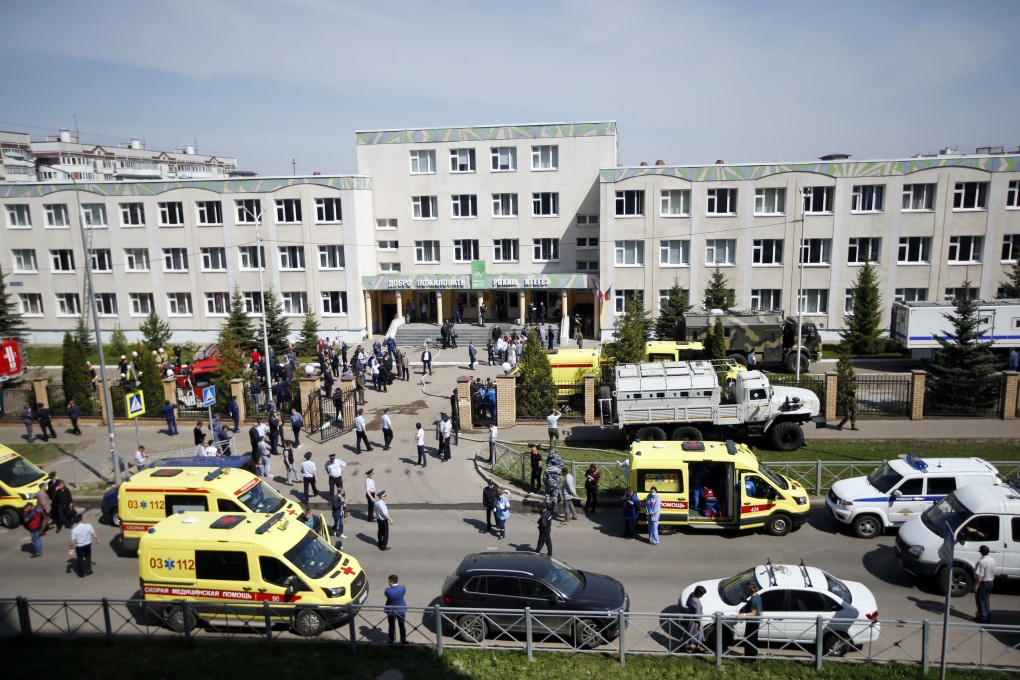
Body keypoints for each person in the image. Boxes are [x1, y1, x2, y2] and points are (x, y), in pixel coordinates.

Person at [738, 582, 762, 657]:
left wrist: (743, 615)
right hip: (755, 622)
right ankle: (752, 656)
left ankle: (750, 657)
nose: (746, 590)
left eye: (747, 589)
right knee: (753, 640)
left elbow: (753, 613)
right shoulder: (757, 596)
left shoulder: (754, 600)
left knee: (750, 640)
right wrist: (747, 602)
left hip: (752, 622)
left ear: (750, 590)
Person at [974, 545, 996, 624]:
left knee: (980, 601)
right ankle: (988, 617)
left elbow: (979, 577)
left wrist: (976, 585)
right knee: (986, 600)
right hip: (990, 582)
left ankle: (983, 618)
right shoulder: (992, 560)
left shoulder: (982, 562)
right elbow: (994, 572)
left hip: (983, 583)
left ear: (981, 552)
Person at [683, 585, 708, 652]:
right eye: (702, 594)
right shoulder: (696, 602)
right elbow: (697, 615)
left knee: (692, 633)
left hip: (689, 617)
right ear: (699, 593)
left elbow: (687, 604)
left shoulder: (691, 595)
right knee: (694, 634)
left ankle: (697, 647)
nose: (702, 595)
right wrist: (700, 623)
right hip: (695, 621)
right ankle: (685, 646)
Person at [384, 575, 408, 644]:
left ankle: (391, 641)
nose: (388, 583)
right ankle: (403, 641)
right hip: (401, 610)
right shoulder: (403, 588)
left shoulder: (387, 591)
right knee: (402, 626)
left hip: (391, 611)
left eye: (388, 581)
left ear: (391, 582)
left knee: (391, 627)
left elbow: (387, 595)